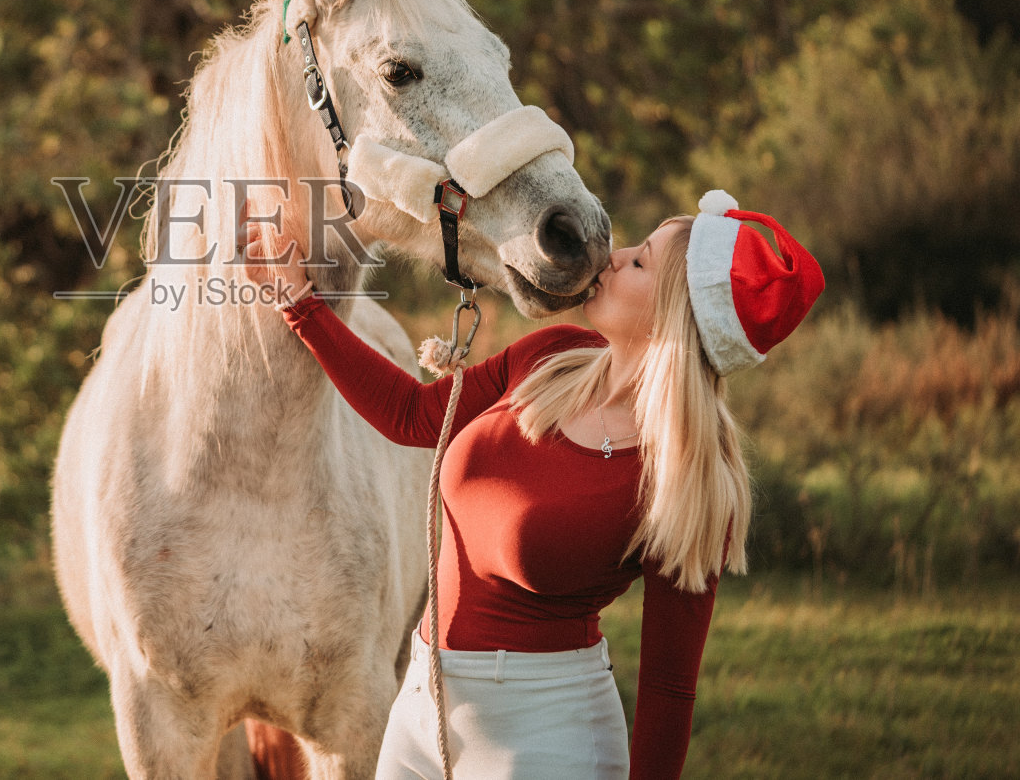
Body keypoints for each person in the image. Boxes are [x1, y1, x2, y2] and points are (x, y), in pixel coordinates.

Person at [243, 190, 823, 780]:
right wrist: (301, 303)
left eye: (640, 261)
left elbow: (668, 690)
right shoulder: (553, 357)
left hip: (544, 738)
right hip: (421, 705)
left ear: (677, 313)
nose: (613, 257)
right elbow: (413, 415)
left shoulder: (685, 480)